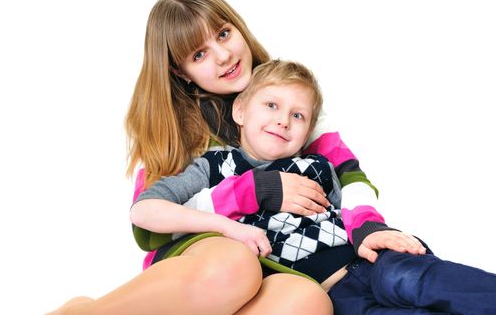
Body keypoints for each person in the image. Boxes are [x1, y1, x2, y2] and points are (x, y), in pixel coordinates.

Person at [46, 0, 422, 314]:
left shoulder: (287, 97)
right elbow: (151, 227)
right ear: (180, 72)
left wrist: (371, 227)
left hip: (272, 257)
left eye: (224, 34)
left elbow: (348, 173)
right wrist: (251, 192)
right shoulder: (176, 130)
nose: (223, 56)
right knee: (234, 266)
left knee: (309, 301)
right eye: (199, 55)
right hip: (205, 251)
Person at [134, 59, 496, 314]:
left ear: (308, 130)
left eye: (297, 115)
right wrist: (230, 227)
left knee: (414, 281)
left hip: (367, 259)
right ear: (240, 111)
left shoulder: (318, 164)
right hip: (331, 295)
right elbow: (145, 211)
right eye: (271, 105)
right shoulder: (214, 167)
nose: (282, 120)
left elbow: (351, 208)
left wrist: (371, 229)